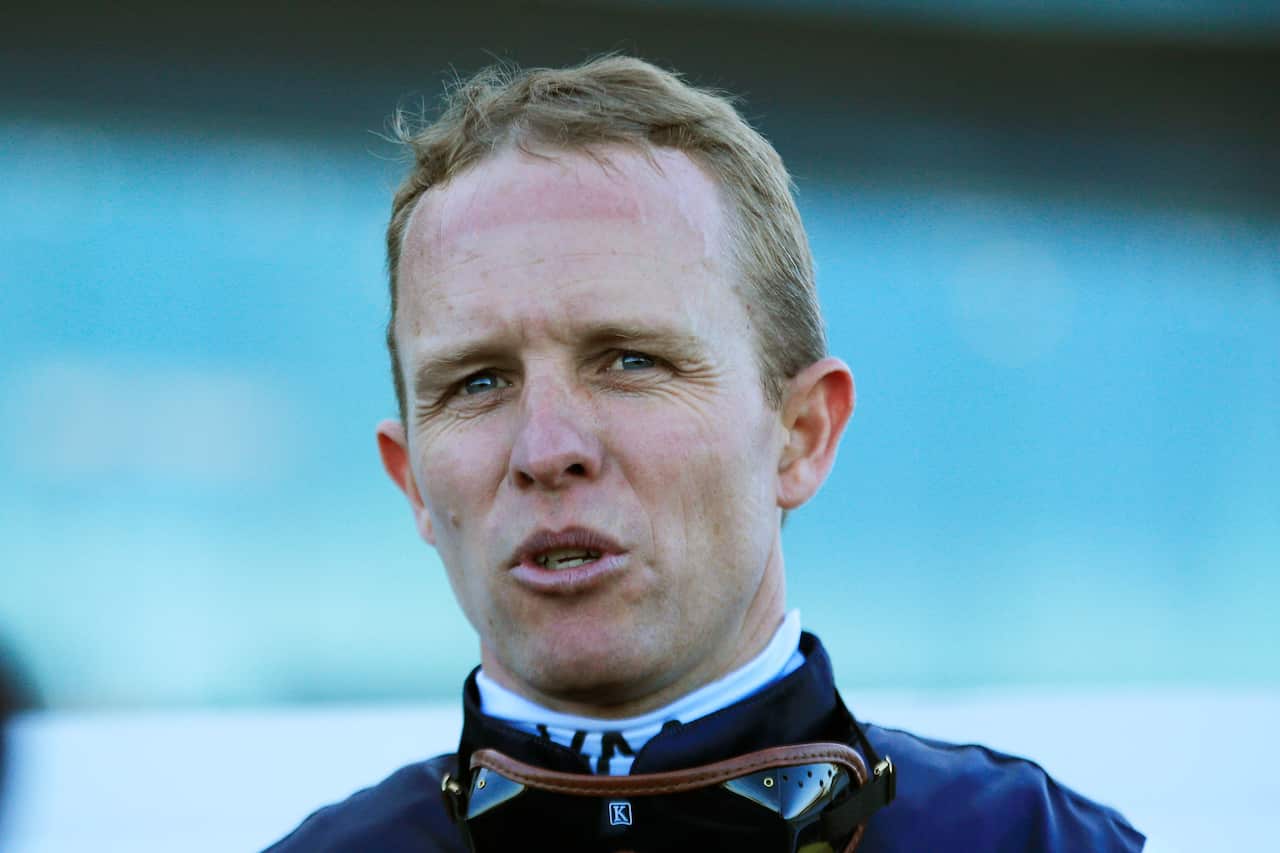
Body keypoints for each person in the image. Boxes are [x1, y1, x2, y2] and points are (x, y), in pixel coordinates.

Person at [267, 55, 1144, 852]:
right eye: (479, 382)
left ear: (802, 434)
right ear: (411, 479)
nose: (545, 450)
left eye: (630, 361)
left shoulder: (1028, 843)